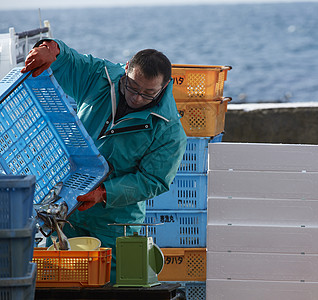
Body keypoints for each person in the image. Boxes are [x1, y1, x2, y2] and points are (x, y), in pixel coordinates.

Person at [22, 39, 187, 283]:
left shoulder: (169, 130)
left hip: (114, 223)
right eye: (132, 86)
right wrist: (52, 49)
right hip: (66, 206)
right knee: (59, 280)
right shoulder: (102, 77)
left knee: (107, 285)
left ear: (164, 88)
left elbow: (153, 180)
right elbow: (73, 62)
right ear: (127, 68)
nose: (137, 97)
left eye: (148, 93)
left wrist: (104, 192)